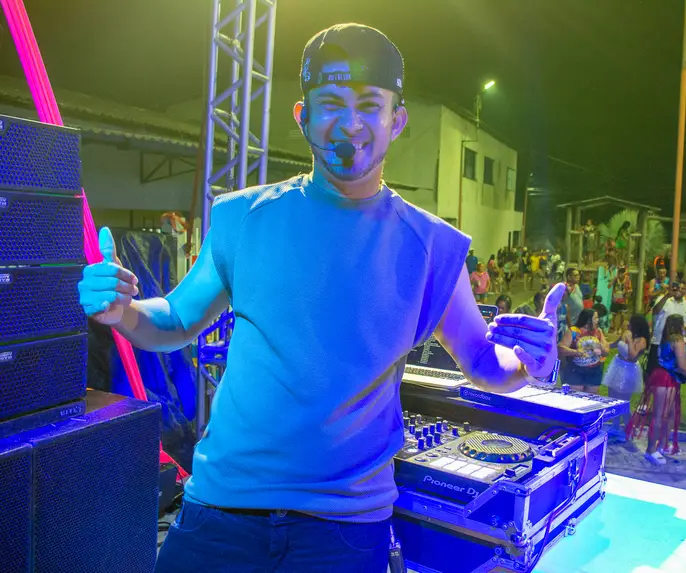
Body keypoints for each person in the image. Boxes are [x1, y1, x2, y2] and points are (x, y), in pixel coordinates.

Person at [76, 24, 565, 573]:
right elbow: (175, 319)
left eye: (370, 105)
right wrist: (123, 311)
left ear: (396, 120)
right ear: (303, 116)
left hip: (344, 531)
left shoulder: (431, 246)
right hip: (221, 511)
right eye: (330, 103)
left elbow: (480, 359)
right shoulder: (243, 217)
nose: (350, 123)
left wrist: (531, 364)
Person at [633, 315, 686, 464]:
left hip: (667, 377)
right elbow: (682, 365)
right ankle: (650, 450)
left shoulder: (666, 339)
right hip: (666, 379)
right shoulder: (677, 340)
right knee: (659, 415)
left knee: (670, 414)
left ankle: (663, 445)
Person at [603, 315, 650, 439]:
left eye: (630, 323)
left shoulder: (641, 340)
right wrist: (602, 344)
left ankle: (629, 429)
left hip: (629, 370)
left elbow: (633, 355)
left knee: (624, 402)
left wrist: (629, 341)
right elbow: (614, 344)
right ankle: (615, 426)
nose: (627, 325)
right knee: (612, 399)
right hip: (617, 366)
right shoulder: (626, 333)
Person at [647, 283, 686, 375]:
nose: (679, 290)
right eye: (677, 288)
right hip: (659, 342)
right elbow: (655, 311)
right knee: (653, 373)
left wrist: (685, 329)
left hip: (677, 345)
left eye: (683, 288)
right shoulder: (663, 299)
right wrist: (667, 296)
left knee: (673, 375)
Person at [558, 309, 609, 393]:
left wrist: (600, 347)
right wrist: (575, 352)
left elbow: (606, 352)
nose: (598, 320)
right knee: (576, 397)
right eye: (595, 318)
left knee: (591, 397)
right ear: (588, 319)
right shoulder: (573, 331)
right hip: (575, 371)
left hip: (594, 371)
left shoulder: (598, 331)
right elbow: (561, 348)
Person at [610, 267, 632, 335]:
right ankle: (615, 328)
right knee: (614, 315)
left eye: (624, 274)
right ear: (619, 273)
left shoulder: (627, 280)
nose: (623, 275)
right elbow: (609, 286)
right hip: (615, 300)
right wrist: (613, 280)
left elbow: (631, 289)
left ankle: (619, 328)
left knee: (622, 315)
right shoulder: (615, 279)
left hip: (623, 300)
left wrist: (627, 291)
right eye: (621, 274)